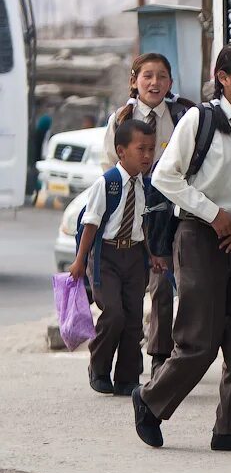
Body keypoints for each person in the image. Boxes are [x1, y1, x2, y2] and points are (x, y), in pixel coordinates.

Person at [131, 42, 231, 452]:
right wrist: (214, 214)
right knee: (199, 340)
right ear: (223, 77)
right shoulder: (200, 119)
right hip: (200, 236)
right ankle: (150, 399)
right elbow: (166, 175)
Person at [100, 53, 196, 379]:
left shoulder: (184, 116)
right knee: (129, 294)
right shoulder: (120, 119)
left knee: (163, 286)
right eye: (147, 76)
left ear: (170, 82)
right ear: (135, 80)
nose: (155, 83)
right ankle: (117, 365)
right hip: (131, 215)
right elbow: (108, 170)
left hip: (170, 215)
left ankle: (159, 356)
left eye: (162, 76)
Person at [69, 120, 158, 396]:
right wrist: (80, 261)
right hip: (105, 256)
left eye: (151, 149)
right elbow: (91, 225)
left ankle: (127, 377)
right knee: (114, 314)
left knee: (133, 318)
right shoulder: (107, 184)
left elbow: (142, 223)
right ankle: (98, 367)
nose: (147, 155)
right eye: (140, 149)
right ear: (121, 151)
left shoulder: (146, 185)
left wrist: (152, 255)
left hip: (133, 256)